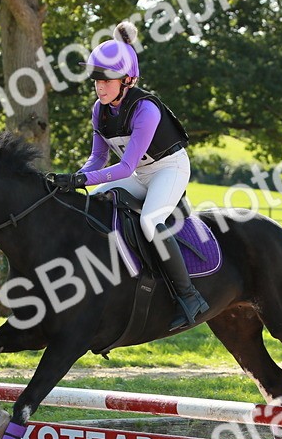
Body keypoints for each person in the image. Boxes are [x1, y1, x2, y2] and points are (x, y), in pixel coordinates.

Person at [48, 21, 209, 331]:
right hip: (141, 173)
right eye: (97, 79)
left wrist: (79, 181)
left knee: (150, 221)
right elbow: (98, 158)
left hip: (170, 170)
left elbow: (123, 168)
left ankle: (189, 297)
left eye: (107, 80)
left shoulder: (146, 110)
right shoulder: (100, 109)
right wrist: (71, 179)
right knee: (91, 203)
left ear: (128, 80)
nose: (100, 86)